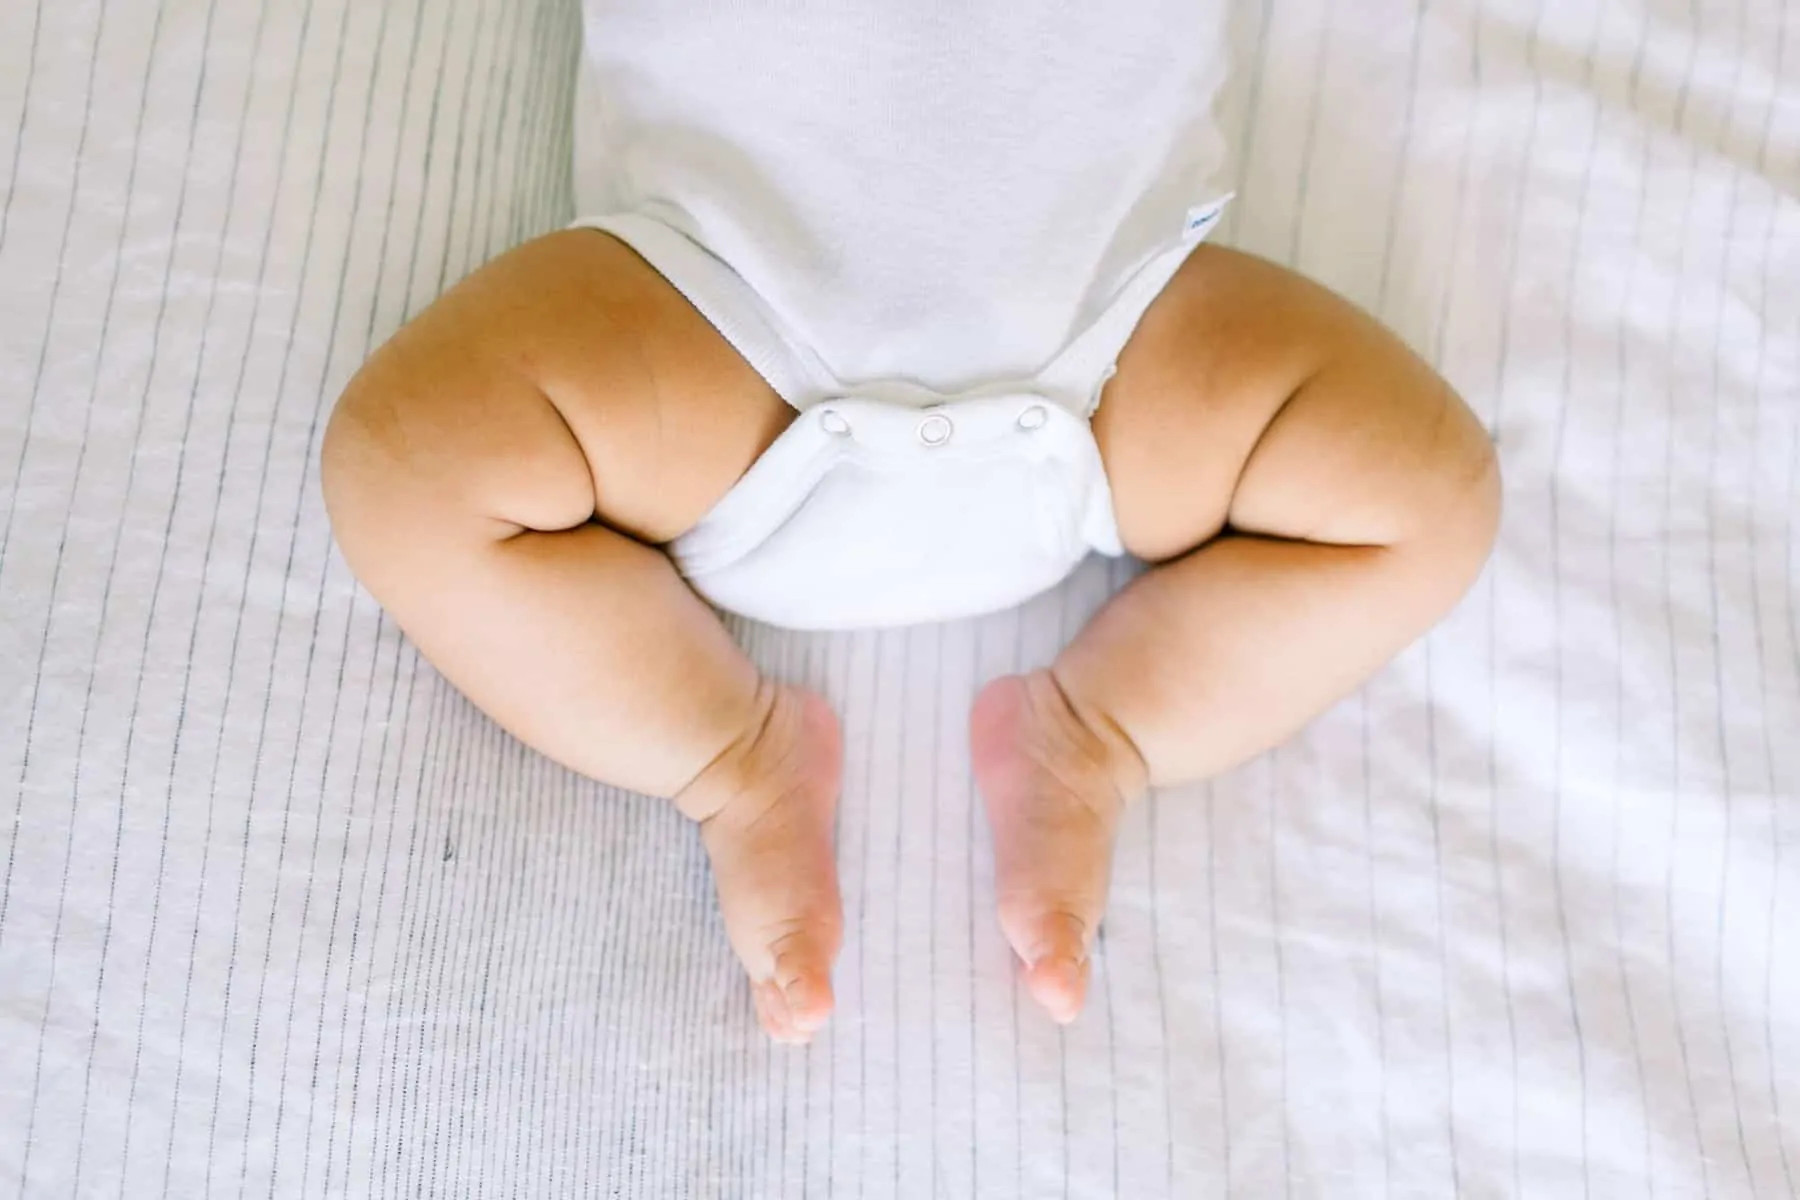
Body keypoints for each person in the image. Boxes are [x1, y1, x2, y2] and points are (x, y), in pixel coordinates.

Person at [320, 1, 1500, 1045]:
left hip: (1118, 341)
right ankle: (730, 756)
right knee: (407, 463)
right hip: (729, 317)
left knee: (1430, 496)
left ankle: (1100, 732)